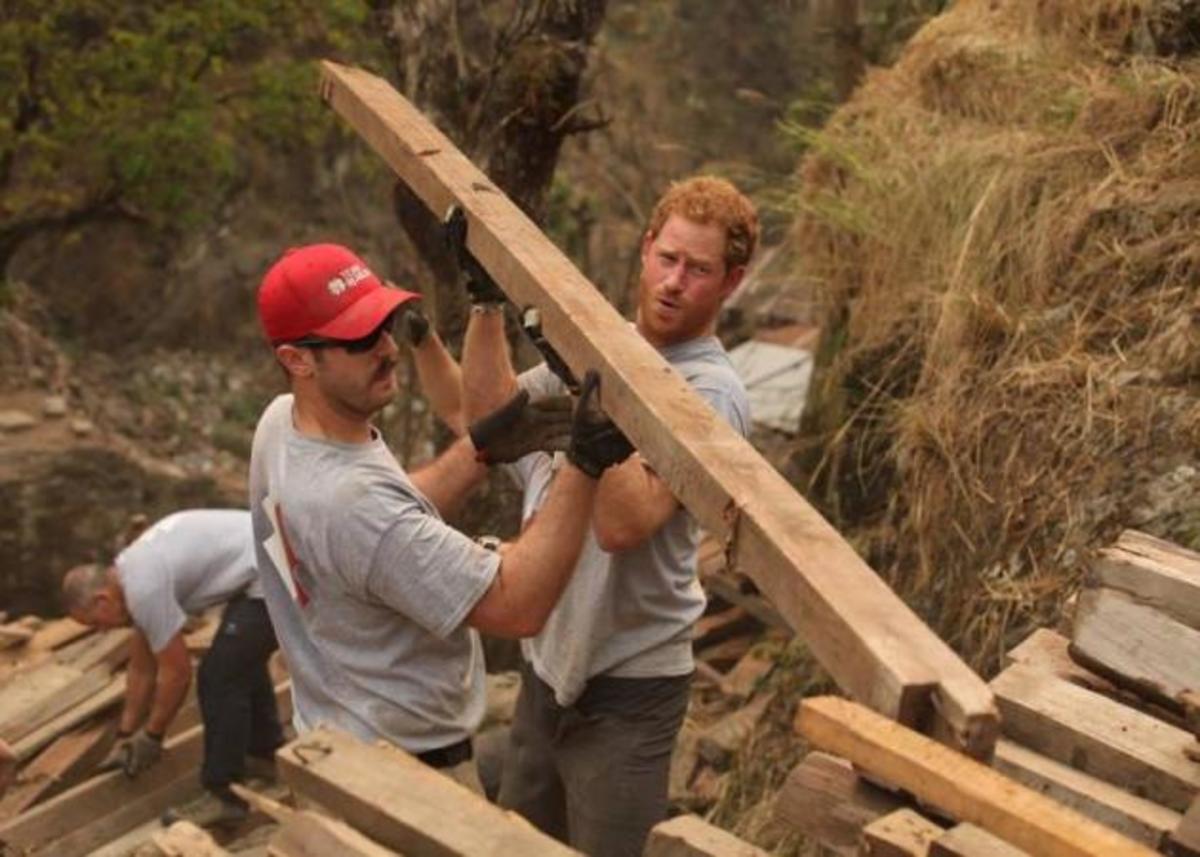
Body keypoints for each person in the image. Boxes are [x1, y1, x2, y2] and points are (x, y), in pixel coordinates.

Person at [248, 242, 631, 791]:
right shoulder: (352, 503)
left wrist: (479, 450)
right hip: (407, 781)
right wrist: (584, 463)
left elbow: (391, 515)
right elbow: (518, 605)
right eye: (359, 339)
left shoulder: (282, 427)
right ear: (297, 359)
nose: (387, 348)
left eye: (384, 323)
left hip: (340, 743)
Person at [458, 176, 756, 856]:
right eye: (668, 257)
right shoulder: (602, 347)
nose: (675, 281)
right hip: (546, 669)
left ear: (731, 281)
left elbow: (625, 525)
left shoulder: (712, 391)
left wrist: (581, 377)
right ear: (646, 248)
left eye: (699, 269)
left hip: (631, 691)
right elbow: (485, 418)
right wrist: (484, 304)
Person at [61, 508, 283, 828]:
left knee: (218, 677)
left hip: (277, 568)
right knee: (238, 662)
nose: (101, 632)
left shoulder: (142, 588)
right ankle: (264, 755)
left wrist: (153, 735)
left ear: (102, 601)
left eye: (96, 623)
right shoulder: (130, 571)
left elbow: (177, 674)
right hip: (265, 561)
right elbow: (141, 670)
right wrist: (126, 734)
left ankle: (225, 796)